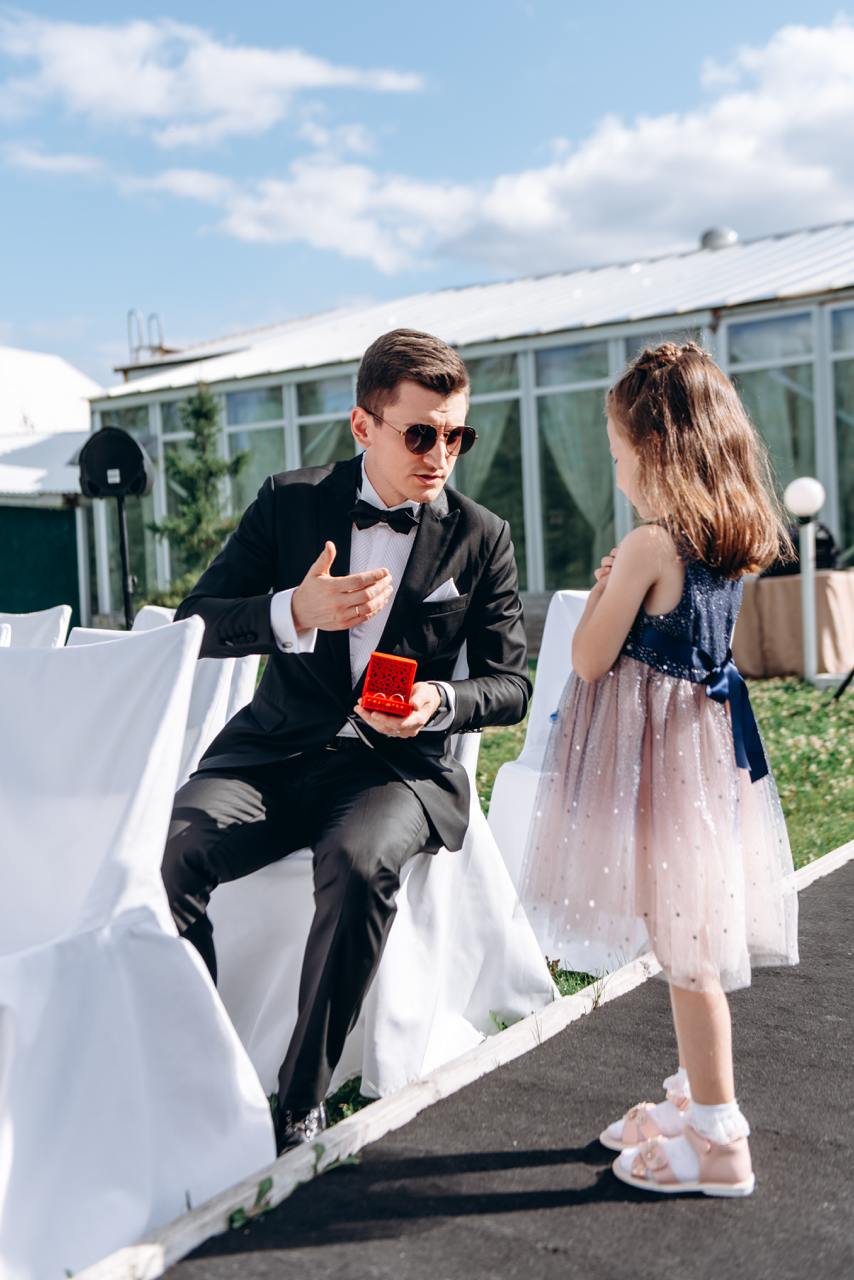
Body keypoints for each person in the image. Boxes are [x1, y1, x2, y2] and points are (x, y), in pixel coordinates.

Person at [162, 328, 531, 1153]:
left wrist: (438, 700)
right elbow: (196, 621)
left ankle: (301, 1099)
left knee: (360, 866)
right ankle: (199, 1068)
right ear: (364, 426)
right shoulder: (289, 502)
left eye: (457, 436)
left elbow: (510, 685)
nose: (441, 455)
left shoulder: (482, 536)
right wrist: (292, 610)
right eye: (420, 434)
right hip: (274, 754)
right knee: (172, 851)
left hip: (392, 772)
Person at [518, 341, 799, 1197]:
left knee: (687, 953)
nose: (615, 474)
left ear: (656, 449)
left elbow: (589, 658)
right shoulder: (727, 540)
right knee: (687, 936)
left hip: (657, 769)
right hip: (699, 765)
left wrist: (607, 588)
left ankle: (718, 1134)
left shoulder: (650, 544)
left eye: (616, 456)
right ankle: (690, 1093)